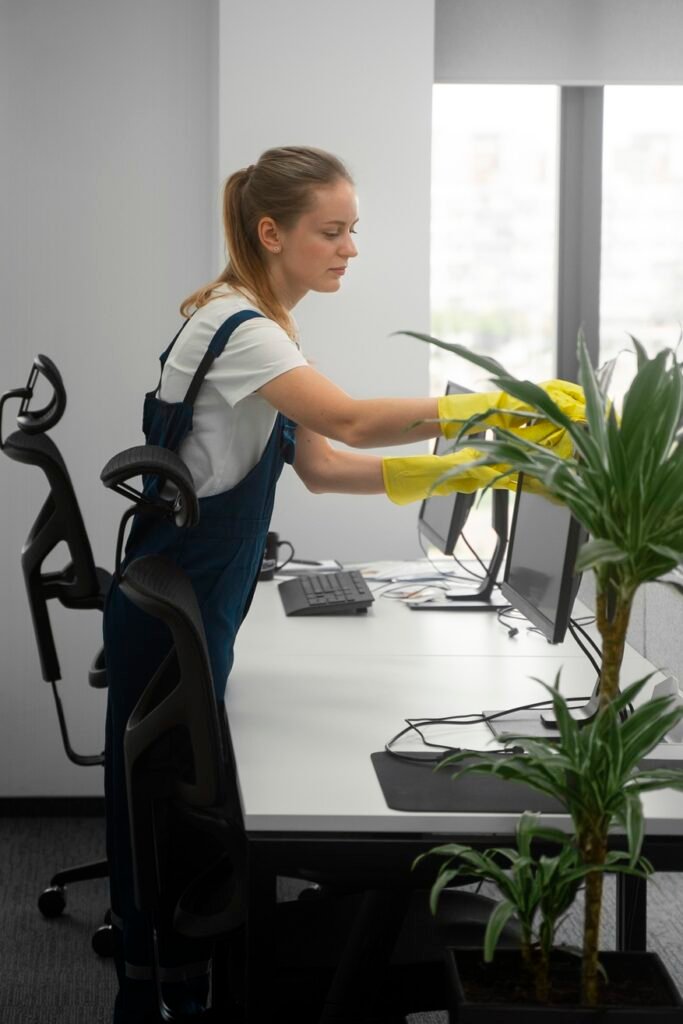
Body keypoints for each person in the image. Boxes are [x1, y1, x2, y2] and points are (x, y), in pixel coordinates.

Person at [103, 145, 584, 1022]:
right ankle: (164, 996)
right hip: (183, 602)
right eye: (332, 230)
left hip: (187, 593)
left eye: (352, 229)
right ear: (270, 232)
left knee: (166, 816)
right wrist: (499, 403)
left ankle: (178, 984)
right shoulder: (242, 329)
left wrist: (472, 468)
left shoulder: (253, 322)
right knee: (162, 828)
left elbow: (322, 465)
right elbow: (350, 417)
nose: (349, 247)